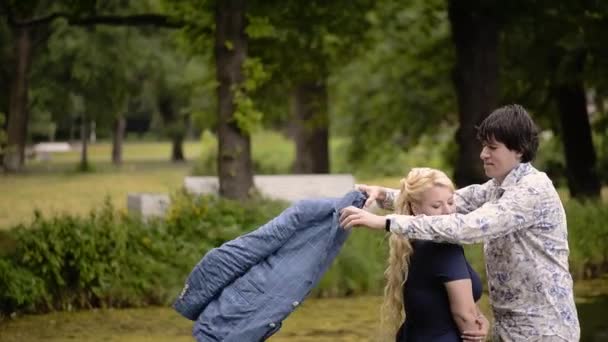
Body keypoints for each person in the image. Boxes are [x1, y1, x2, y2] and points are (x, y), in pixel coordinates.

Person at [340, 104, 580, 341]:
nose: (483, 154)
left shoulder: (531, 191)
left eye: (492, 147)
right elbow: (447, 202)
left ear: (518, 150)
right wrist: (382, 195)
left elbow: (465, 228)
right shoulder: (498, 186)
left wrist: (385, 222)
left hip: (544, 330)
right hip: (508, 326)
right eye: (484, 146)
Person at [380, 167, 489, 342]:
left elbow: (438, 301)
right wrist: (474, 323)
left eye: (451, 202)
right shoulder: (443, 248)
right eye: (436, 206)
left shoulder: (411, 242)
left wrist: (479, 317)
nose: (448, 211)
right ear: (415, 208)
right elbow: (464, 315)